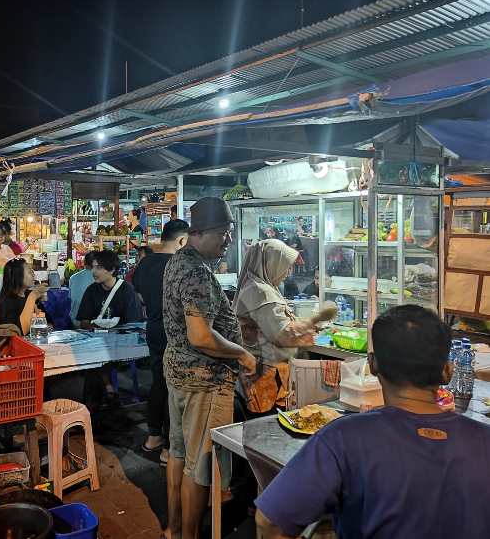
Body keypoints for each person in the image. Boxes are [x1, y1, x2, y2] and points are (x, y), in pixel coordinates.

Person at [255, 305, 490, 539]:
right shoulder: (484, 440)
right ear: (447, 371)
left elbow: (269, 523)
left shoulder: (343, 438)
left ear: (373, 364)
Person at [162, 197, 256, 539]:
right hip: (203, 378)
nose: (229, 240)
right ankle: (189, 535)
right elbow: (201, 336)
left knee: (177, 453)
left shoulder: (178, 260)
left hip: (178, 370)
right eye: (224, 233)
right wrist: (241, 355)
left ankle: (173, 529)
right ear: (199, 233)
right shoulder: (197, 272)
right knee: (199, 466)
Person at [233, 239, 316, 416]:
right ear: (271, 264)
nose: (288, 272)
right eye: (285, 266)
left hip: (263, 375)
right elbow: (282, 334)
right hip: (263, 379)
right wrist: (310, 327)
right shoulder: (260, 292)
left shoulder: (260, 286)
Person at [132, 219, 189, 465]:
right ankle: (169, 447)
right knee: (173, 389)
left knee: (159, 383)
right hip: (173, 333)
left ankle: (153, 437)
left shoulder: (144, 264)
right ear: (182, 241)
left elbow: (138, 294)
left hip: (154, 329)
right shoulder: (178, 265)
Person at [75, 249, 141, 329]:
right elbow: (84, 320)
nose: (93, 271)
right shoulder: (91, 290)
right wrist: (92, 328)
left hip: (122, 338)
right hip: (97, 338)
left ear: (112, 269)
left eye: (99, 268)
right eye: (93, 267)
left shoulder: (127, 290)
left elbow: (134, 323)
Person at [0, 257, 48, 334]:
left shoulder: (30, 295)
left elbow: (47, 323)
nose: (33, 274)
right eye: (29, 272)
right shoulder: (6, 302)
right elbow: (19, 331)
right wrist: (34, 295)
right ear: (17, 275)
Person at [69, 251, 95, 326]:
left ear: (84, 262)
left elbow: (72, 298)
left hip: (75, 320)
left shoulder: (73, 277)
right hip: (92, 322)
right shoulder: (100, 278)